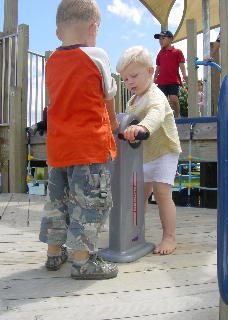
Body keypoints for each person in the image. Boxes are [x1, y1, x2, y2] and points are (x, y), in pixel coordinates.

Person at [39, 0, 119, 280]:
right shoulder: (96, 55)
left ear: (58, 32)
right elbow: (108, 96)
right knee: (90, 203)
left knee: (57, 202)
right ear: (93, 28)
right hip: (89, 145)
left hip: (59, 147)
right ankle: (83, 262)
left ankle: (53, 254)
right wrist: (116, 125)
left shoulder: (51, 62)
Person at [116, 46, 182, 255]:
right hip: (145, 154)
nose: (130, 82)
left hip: (164, 150)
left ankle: (169, 237)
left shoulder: (156, 95)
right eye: (125, 79)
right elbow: (127, 123)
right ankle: (136, 233)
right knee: (138, 196)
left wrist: (143, 127)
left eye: (134, 76)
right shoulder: (132, 101)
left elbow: (155, 115)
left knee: (162, 193)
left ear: (151, 71)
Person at [153, 30, 188, 118]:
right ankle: (164, 117)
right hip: (162, 81)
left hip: (173, 80)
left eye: (163, 38)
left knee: (173, 98)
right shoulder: (160, 54)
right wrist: (154, 79)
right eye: (159, 39)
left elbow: (181, 64)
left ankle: (177, 114)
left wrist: (185, 75)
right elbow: (158, 67)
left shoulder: (177, 52)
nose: (160, 41)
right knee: (161, 100)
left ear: (170, 39)